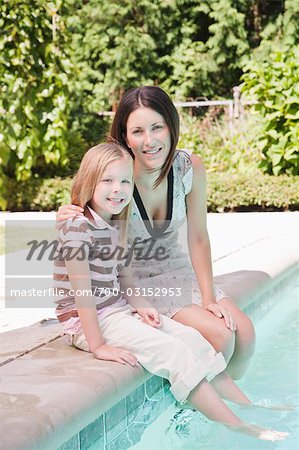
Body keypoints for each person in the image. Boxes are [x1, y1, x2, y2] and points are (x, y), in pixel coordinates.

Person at [54, 142, 288, 441]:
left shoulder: (116, 221)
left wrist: (140, 304)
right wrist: (99, 346)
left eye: (126, 181)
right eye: (108, 180)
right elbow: (82, 295)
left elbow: (124, 275)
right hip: (89, 321)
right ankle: (238, 426)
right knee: (175, 352)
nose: (118, 189)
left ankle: (247, 407)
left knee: (191, 337)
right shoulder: (76, 227)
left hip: (117, 309)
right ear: (89, 181)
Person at [58, 86, 255, 380]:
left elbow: (198, 237)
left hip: (176, 267)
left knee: (246, 336)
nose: (149, 141)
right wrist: (67, 211)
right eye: (137, 131)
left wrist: (208, 297)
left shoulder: (188, 167)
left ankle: (226, 404)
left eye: (157, 127)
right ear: (125, 136)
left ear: (171, 127)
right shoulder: (118, 174)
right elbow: (85, 216)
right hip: (134, 277)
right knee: (220, 337)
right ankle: (193, 411)